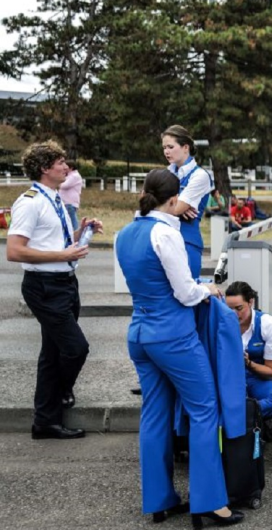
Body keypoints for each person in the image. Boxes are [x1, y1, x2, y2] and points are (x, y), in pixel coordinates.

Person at [115, 169, 243, 526]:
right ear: (173, 200)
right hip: (172, 335)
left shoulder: (124, 233)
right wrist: (209, 289)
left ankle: (160, 499)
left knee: (154, 414)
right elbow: (185, 293)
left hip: (139, 332)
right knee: (205, 410)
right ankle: (209, 502)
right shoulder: (164, 233)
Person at [6, 141, 102, 440]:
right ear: (45, 168)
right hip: (44, 287)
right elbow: (14, 251)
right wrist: (62, 256)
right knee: (75, 348)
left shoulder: (55, 198)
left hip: (64, 284)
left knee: (52, 353)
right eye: (61, 162)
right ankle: (60, 394)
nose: (66, 167)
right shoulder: (30, 201)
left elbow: (50, 241)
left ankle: (45, 421)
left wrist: (80, 232)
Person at [225, 281, 272, 420]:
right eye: (229, 309)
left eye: (239, 308)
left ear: (250, 302)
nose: (234, 314)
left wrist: (248, 363)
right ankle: (250, 415)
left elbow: (270, 372)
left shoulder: (268, 325)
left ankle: (238, 416)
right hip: (229, 376)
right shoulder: (221, 323)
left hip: (256, 375)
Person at [162, 125, 214, 279]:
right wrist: (174, 206)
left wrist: (161, 204)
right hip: (164, 241)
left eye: (171, 147)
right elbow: (144, 201)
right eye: (164, 147)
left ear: (186, 147)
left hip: (186, 243)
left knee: (187, 297)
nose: (166, 151)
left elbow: (176, 208)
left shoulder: (199, 175)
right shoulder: (166, 172)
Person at [59, 160, 83, 230]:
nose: (64, 168)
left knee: (72, 223)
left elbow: (64, 185)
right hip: (66, 202)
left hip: (69, 202)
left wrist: (58, 182)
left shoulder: (74, 176)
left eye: (66, 167)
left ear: (71, 168)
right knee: (67, 222)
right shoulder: (70, 175)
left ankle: (77, 236)